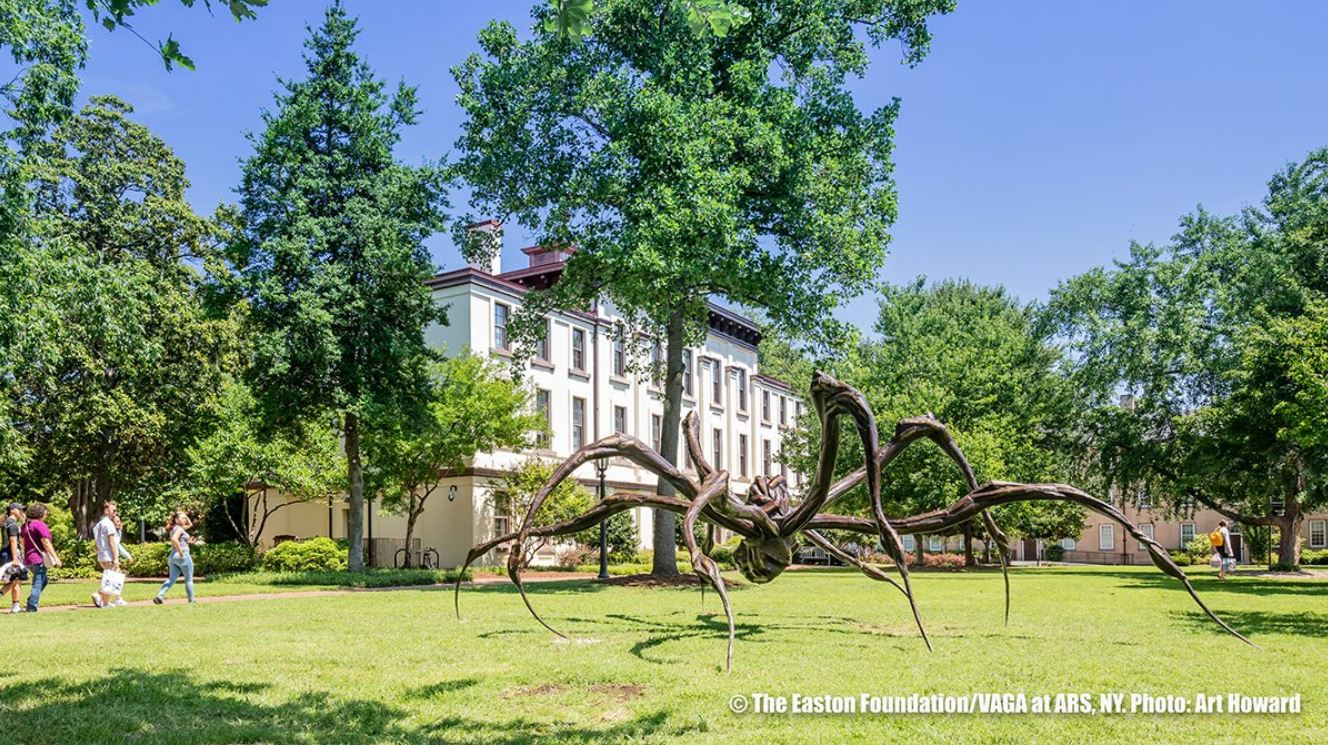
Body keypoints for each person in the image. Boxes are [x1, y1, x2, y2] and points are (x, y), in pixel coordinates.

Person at [20, 503, 61, 612]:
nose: (46, 515)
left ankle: (30, 601)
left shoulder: (25, 526)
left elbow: (22, 542)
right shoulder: (40, 525)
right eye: (45, 513)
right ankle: (32, 607)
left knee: (44, 581)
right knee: (37, 584)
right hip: (38, 559)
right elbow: (46, 542)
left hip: (28, 560)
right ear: (40, 513)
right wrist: (56, 558)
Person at [154, 511, 197, 605]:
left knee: (171, 578)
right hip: (182, 555)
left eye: (184, 518)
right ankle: (191, 600)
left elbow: (190, 524)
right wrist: (181, 552)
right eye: (182, 518)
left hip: (173, 556)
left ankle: (160, 596)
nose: (184, 519)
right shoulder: (179, 529)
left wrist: (184, 515)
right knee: (189, 579)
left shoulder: (175, 528)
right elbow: (174, 539)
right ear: (177, 520)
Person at [92, 501, 125, 608]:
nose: (115, 513)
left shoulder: (98, 525)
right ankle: (102, 599)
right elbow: (112, 542)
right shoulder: (109, 524)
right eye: (113, 510)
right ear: (106, 511)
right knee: (111, 579)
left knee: (112, 578)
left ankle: (111, 600)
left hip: (102, 555)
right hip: (109, 555)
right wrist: (116, 558)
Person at [2, 502, 28, 613]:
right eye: (20, 509)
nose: (22, 512)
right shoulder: (12, 524)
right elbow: (13, 542)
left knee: (12, 580)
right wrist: (15, 559)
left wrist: (23, 522)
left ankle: (15, 606)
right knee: (17, 580)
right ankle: (16, 607)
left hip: (5, 552)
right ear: (13, 510)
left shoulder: (7, 522)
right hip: (11, 553)